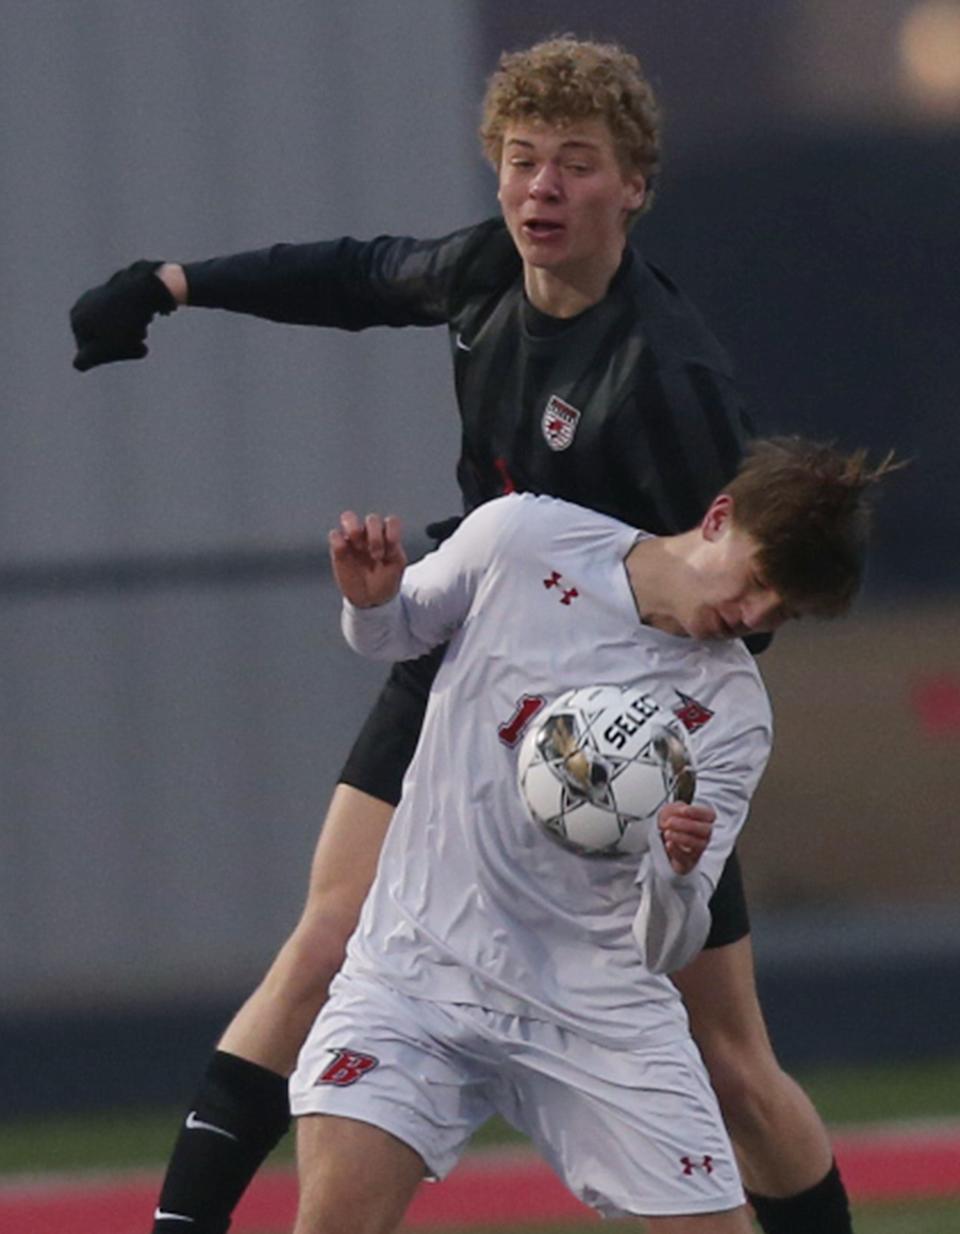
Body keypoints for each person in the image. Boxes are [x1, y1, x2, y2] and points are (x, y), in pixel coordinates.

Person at [71, 36, 854, 1234]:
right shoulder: (490, 273)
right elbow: (352, 276)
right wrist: (172, 282)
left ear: (633, 185)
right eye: (522, 159)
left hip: (626, 716)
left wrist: (649, 787)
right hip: (475, 637)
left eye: (576, 164)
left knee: (735, 1062)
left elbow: (741, 608)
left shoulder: (670, 380)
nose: (542, 186)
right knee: (328, 937)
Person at [288, 437, 896, 1234]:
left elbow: (668, 945)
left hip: (596, 1011)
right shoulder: (519, 540)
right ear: (718, 519)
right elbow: (394, 636)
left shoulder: (734, 715)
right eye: (757, 585)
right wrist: (369, 603)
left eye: (781, 613)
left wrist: (678, 876)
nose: (753, 619)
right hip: (416, 975)